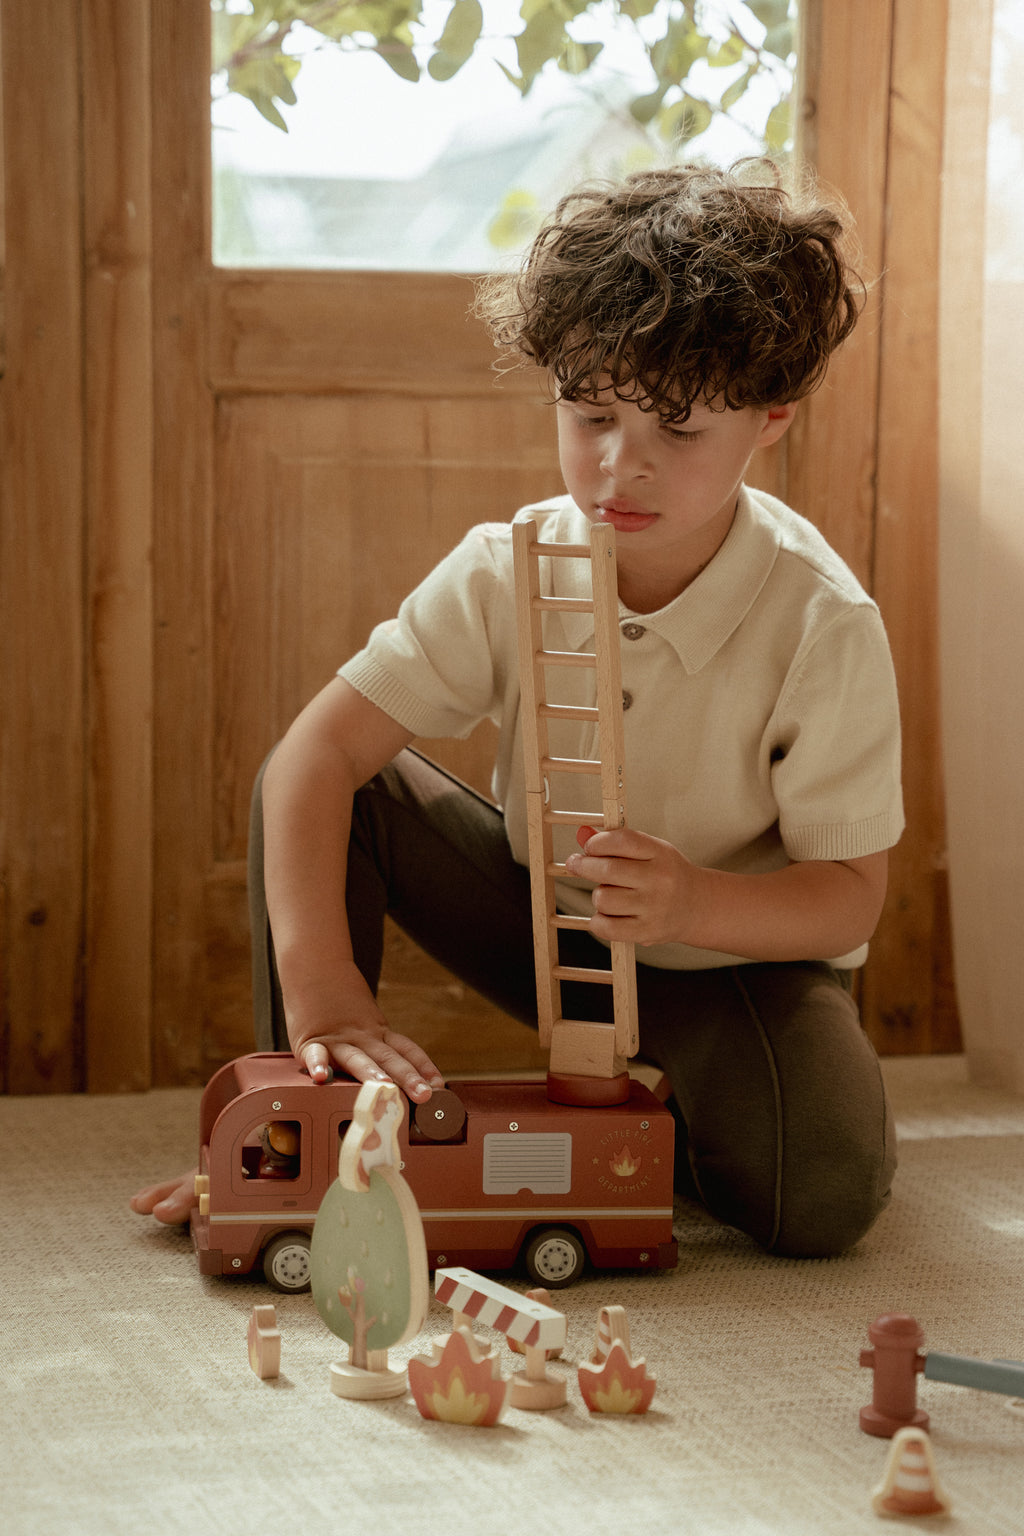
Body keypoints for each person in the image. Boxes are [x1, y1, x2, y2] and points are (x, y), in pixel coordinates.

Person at [133, 161, 902, 1256]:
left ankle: (677, 1119)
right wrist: (328, 998)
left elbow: (847, 903)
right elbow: (318, 757)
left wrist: (688, 905)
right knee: (317, 784)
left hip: (735, 959)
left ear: (770, 417)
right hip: (541, 911)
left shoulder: (823, 621)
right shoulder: (506, 568)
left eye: (678, 434)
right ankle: (314, 1129)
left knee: (824, 1199)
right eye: (588, 415)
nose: (616, 469)